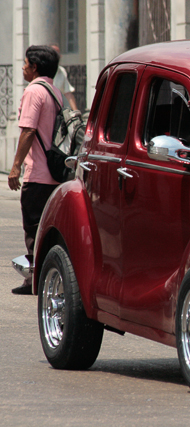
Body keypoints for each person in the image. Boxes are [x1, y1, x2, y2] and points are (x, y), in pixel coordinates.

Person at [8, 45, 64, 295]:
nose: (22, 67)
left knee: (33, 228)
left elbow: (28, 130)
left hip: (38, 174)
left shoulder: (33, 91)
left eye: (26, 63)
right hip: (54, 175)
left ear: (35, 67)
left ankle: (34, 280)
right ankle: (48, 277)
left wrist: (16, 167)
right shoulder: (55, 91)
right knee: (48, 228)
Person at [50, 44, 78, 111]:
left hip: (58, 111)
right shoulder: (40, 72)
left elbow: (68, 93)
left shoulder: (61, 71)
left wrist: (76, 112)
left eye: (57, 54)